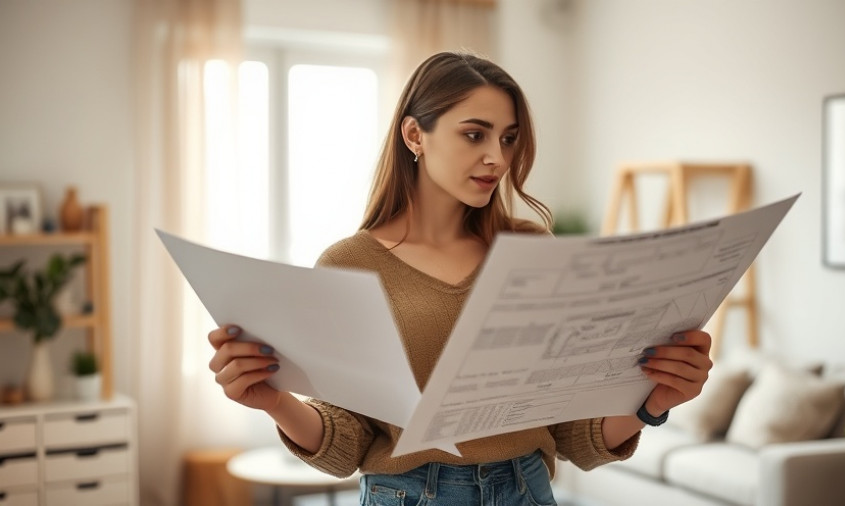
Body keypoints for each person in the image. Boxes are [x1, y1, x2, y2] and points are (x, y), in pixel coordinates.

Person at [207, 51, 713, 505]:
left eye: (508, 138)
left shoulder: (532, 250)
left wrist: (652, 403)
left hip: (526, 491)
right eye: (475, 134)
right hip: (402, 495)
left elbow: (571, 432)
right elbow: (348, 443)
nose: (497, 156)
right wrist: (274, 400)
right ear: (414, 136)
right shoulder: (349, 264)